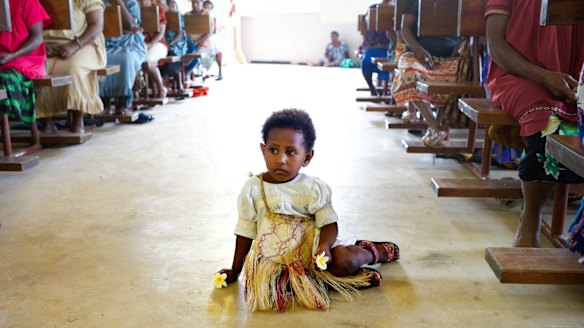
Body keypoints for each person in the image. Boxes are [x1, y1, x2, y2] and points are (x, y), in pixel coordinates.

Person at [216, 109, 399, 312]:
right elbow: (245, 231)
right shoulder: (253, 188)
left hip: (314, 252)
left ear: (307, 157)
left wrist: (324, 247)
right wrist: (235, 270)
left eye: (290, 152)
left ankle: (370, 253)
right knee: (270, 289)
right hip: (276, 259)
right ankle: (336, 281)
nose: (281, 159)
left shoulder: (312, 189)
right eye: (273, 150)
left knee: (344, 262)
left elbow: (329, 224)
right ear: (263, 150)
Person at [485, 0, 584, 247]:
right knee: (550, 121)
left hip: (573, 75)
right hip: (518, 75)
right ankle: (530, 220)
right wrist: (544, 76)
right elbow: (496, 46)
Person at [392, 0, 465, 147]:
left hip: (451, 55)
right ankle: (435, 126)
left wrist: (462, 46)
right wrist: (419, 50)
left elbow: (469, 30)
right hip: (417, 53)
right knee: (409, 73)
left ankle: (436, 127)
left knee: (459, 76)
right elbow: (405, 28)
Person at [36, 0, 106, 134]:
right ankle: (47, 121)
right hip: (46, 47)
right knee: (37, 70)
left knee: (73, 68)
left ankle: (77, 119)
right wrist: (40, 45)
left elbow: (96, 26)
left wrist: (75, 45)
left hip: (83, 44)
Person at [0, 0, 49, 126]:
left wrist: (12, 56)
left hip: (26, 59)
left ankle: (10, 107)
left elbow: (37, 38)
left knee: (4, 79)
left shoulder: (27, 1)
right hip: (3, 59)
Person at [100, 0, 147, 115]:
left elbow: (131, 25)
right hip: (107, 43)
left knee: (126, 59)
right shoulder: (100, 3)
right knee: (101, 59)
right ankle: (103, 101)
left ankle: (124, 100)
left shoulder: (131, 3)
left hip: (130, 44)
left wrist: (119, 3)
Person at [359, 7, 395, 96]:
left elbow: (392, 40)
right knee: (364, 62)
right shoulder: (369, 28)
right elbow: (365, 41)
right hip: (370, 49)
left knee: (387, 62)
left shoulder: (388, 23)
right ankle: (372, 87)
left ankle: (385, 91)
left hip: (385, 49)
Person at [140, 0, 168, 98]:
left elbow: (161, 33)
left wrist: (150, 44)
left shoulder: (158, 9)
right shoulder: (135, 7)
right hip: (141, 44)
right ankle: (140, 91)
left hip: (158, 44)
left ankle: (161, 88)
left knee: (148, 61)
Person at [161, 0, 188, 93]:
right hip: (165, 41)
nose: (172, 5)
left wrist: (170, 43)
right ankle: (164, 82)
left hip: (177, 42)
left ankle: (179, 83)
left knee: (172, 53)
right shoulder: (159, 13)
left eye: (173, 4)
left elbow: (180, 33)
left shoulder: (176, 14)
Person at [202, 0, 223, 80]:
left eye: (209, 7)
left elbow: (213, 31)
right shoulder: (200, 16)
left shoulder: (213, 17)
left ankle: (220, 72)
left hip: (212, 37)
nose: (207, 9)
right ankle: (202, 72)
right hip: (203, 37)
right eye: (205, 7)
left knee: (218, 52)